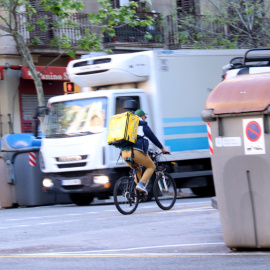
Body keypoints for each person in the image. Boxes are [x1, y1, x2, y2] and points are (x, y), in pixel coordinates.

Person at [121, 109, 170, 194]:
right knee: (151, 166)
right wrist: (162, 148)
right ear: (142, 116)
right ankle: (141, 184)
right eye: (145, 116)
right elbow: (152, 137)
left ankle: (136, 195)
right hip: (135, 152)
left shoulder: (129, 125)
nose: (145, 118)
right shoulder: (142, 125)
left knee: (138, 170)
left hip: (124, 153)